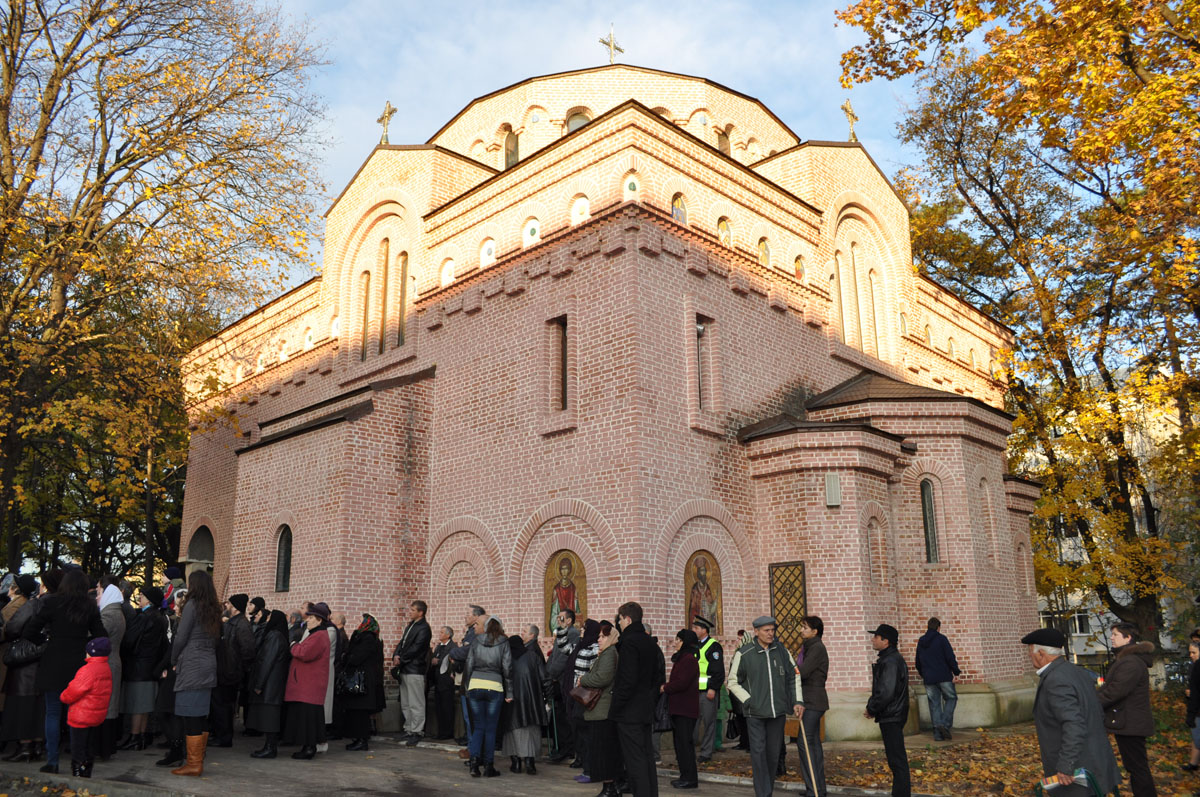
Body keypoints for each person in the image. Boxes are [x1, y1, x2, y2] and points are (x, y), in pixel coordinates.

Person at [26, 567, 107, 774]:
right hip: (79, 663)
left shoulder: (52, 602)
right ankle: (78, 761)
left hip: (53, 660)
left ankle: (52, 761)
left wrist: (46, 641)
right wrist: (85, 644)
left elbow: (30, 630)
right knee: (76, 714)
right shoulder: (89, 606)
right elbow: (101, 635)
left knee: (52, 713)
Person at [1021, 627, 1119, 796]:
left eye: (1030, 651)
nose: (1029, 655)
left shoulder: (1056, 679)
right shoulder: (1074, 671)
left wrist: (1066, 765)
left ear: (1041, 653)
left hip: (1077, 771)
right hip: (1093, 760)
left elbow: (1074, 723)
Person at [728, 615, 803, 797]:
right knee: (758, 753)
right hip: (755, 714)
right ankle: (763, 793)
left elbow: (794, 675)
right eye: (766, 630)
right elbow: (732, 681)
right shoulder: (744, 653)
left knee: (773, 754)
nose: (770, 634)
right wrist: (748, 700)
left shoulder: (781, 651)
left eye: (772, 630)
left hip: (777, 713)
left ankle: (767, 789)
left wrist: (798, 701)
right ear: (756, 631)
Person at [610, 601, 665, 797]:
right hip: (645, 708)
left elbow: (627, 680)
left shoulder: (629, 643)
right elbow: (657, 677)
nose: (618, 623)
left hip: (629, 712)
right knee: (646, 756)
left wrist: (616, 707)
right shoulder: (649, 642)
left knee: (635, 760)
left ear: (627, 619)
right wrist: (650, 700)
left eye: (620, 619)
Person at [1096, 623, 1158, 796]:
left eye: (1115, 634)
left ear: (1128, 638)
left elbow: (1115, 691)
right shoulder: (1128, 660)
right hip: (1128, 722)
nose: (1111, 638)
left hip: (1131, 724)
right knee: (1136, 767)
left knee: (1137, 768)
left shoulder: (1131, 662)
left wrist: (1091, 703)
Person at [169, 570, 221, 777]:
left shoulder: (192, 605)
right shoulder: (213, 608)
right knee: (200, 713)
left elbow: (181, 636)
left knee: (190, 714)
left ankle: (193, 763)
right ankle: (198, 759)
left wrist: (174, 659)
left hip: (192, 663)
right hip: (208, 662)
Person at [118, 586, 169, 751]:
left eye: (142, 596)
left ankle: (135, 737)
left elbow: (130, 640)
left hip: (138, 665)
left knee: (137, 704)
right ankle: (141, 736)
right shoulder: (160, 617)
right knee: (145, 704)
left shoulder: (144, 617)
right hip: (151, 666)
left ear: (149, 600)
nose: (139, 598)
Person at [463, 615, 512, 778]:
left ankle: (474, 764)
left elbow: (469, 664)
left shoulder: (476, 641)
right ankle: (489, 766)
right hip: (494, 685)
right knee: (490, 729)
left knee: (478, 727)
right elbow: (507, 668)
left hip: (476, 684)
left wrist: (467, 687)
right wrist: (509, 692)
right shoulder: (504, 642)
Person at [0, 574, 43, 761]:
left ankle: (25, 746)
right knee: (36, 709)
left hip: (24, 660)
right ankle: (36, 745)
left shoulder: (29, 605)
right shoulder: (49, 604)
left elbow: (12, 628)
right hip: (38, 660)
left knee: (21, 708)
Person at [865, 624, 910, 797]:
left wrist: (872, 708)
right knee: (896, 760)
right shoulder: (890, 659)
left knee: (897, 761)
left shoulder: (890, 661)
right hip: (892, 714)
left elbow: (886, 692)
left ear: (886, 641)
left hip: (891, 715)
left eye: (876, 637)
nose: (873, 640)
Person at [60, 636, 114, 778]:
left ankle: (78, 771)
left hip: (81, 715)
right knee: (90, 745)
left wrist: (63, 697)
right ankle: (87, 771)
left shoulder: (88, 670)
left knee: (78, 746)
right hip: (95, 715)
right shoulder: (105, 668)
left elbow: (75, 690)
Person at [286, 602, 332, 759]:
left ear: (320, 620)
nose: (308, 620)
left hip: (310, 685)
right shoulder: (317, 634)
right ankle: (307, 747)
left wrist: (293, 644)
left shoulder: (319, 636)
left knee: (309, 719)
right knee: (307, 718)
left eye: (311, 618)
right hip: (308, 684)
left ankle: (309, 748)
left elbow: (304, 653)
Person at [580, 621, 621, 797]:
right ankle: (612, 787)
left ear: (611, 638)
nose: (599, 639)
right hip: (600, 710)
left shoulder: (609, 653)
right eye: (599, 636)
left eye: (603, 637)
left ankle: (609, 788)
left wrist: (583, 679)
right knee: (603, 751)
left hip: (602, 710)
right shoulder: (606, 653)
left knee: (604, 752)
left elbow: (603, 678)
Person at [211, 592, 255, 747]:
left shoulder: (241, 625)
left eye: (229, 604)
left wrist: (237, 668)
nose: (226, 606)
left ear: (235, 607)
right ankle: (219, 734)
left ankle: (224, 737)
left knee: (224, 706)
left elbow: (248, 650)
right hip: (225, 670)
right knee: (219, 705)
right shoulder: (232, 623)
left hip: (230, 672)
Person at [501, 627, 546, 774]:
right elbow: (544, 678)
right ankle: (530, 762)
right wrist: (548, 696)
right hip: (532, 702)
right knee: (531, 732)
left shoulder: (506, 658)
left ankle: (516, 763)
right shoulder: (533, 656)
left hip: (511, 702)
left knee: (512, 733)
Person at [247, 610, 290, 758]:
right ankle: (269, 746)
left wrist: (259, 684)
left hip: (270, 684)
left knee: (269, 718)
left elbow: (267, 661)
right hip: (273, 683)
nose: (267, 619)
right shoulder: (277, 635)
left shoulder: (274, 636)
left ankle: (270, 748)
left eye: (270, 617)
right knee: (268, 717)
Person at [341, 612, 385, 751]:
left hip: (363, 680)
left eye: (360, 620)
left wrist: (346, 656)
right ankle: (357, 738)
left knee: (360, 712)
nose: (357, 623)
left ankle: (362, 740)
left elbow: (356, 657)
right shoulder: (363, 637)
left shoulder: (368, 638)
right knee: (356, 712)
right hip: (359, 679)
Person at [662, 628, 700, 790]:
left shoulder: (689, 659)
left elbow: (682, 683)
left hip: (686, 709)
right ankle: (684, 776)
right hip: (679, 708)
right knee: (680, 744)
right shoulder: (682, 658)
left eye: (678, 640)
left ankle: (690, 778)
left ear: (685, 642)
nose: (675, 643)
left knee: (685, 745)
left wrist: (665, 687)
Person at [154, 587, 187, 768]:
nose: (174, 608)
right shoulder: (180, 624)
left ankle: (177, 748)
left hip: (176, 671)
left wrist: (162, 667)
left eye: (178, 605)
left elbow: (174, 649)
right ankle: (177, 747)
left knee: (166, 710)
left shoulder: (183, 625)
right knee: (169, 712)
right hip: (174, 670)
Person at [95, 575, 126, 759]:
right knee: (110, 705)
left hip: (106, 663)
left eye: (99, 592)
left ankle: (103, 748)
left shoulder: (108, 615)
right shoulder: (117, 612)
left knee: (105, 706)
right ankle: (106, 747)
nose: (97, 596)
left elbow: (98, 637)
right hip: (113, 661)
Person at [796, 616, 828, 797]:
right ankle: (817, 788)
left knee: (805, 742)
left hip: (813, 700)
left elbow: (803, 671)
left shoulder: (816, 648)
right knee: (812, 743)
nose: (801, 630)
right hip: (811, 699)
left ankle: (813, 789)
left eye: (805, 627)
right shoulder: (809, 647)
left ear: (815, 631)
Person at [392, 599, 431, 746]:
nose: (410, 612)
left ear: (421, 612)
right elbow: (402, 642)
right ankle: (408, 728)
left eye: (413, 610)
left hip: (415, 668)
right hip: (405, 668)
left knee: (416, 702)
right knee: (406, 702)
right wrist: (396, 655)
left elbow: (417, 648)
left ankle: (417, 730)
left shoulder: (424, 628)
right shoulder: (410, 626)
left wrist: (401, 658)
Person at [914, 617, 960, 741]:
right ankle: (944, 724)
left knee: (934, 704)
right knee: (951, 698)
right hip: (944, 676)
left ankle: (937, 734)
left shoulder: (921, 641)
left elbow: (918, 661)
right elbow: (950, 657)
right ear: (938, 627)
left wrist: (924, 674)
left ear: (928, 627)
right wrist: (956, 671)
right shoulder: (942, 639)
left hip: (929, 678)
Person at [570, 618, 603, 782]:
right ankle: (586, 768)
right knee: (581, 733)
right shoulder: (582, 646)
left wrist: (583, 680)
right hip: (578, 694)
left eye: (584, 628)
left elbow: (594, 672)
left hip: (588, 695)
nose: (581, 631)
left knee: (588, 734)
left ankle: (590, 770)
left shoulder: (594, 649)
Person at [449, 604, 485, 750]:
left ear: (477, 617)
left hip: (472, 680)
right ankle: (472, 745)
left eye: (468, 613)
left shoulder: (476, 635)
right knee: (468, 716)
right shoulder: (471, 632)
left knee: (471, 717)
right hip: (466, 677)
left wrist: (453, 653)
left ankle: (474, 748)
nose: (465, 616)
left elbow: (466, 652)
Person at [547, 607, 580, 763]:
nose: (558, 620)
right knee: (558, 716)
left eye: (561, 618)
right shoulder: (562, 633)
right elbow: (554, 655)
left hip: (562, 680)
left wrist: (551, 673)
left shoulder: (572, 633)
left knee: (563, 717)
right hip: (557, 680)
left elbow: (562, 658)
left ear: (569, 620)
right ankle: (560, 747)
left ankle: (567, 748)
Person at [691, 615, 723, 765]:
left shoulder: (713, 646)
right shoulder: (695, 645)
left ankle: (706, 752)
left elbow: (718, 670)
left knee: (709, 723)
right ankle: (691, 750)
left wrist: (713, 688)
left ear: (704, 630)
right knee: (693, 722)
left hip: (707, 691)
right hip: (694, 691)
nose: (694, 630)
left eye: (696, 628)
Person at [429, 626, 456, 740]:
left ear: (448, 635)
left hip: (446, 682)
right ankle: (440, 731)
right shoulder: (439, 646)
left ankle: (447, 732)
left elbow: (450, 662)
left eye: (442, 632)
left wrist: (438, 661)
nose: (439, 634)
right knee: (439, 708)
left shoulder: (453, 647)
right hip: (438, 681)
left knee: (446, 708)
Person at [1185, 639, 1199, 772]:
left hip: (1197, 710)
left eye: (1194, 652)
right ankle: (1193, 763)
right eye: (1190, 652)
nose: (1191, 655)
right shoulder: (1194, 667)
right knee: (1196, 738)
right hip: (1196, 710)